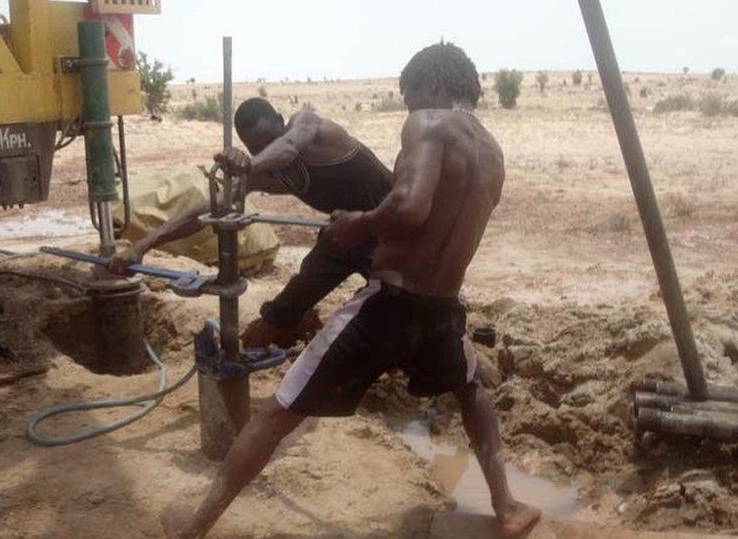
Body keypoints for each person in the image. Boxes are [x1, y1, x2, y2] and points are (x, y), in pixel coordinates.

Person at [160, 42, 541, 538]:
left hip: (390, 305)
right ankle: (507, 506)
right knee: (470, 390)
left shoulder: (428, 122)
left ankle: (194, 528)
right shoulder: (492, 152)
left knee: (277, 414)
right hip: (444, 308)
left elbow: (408, 206)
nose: (409, 108)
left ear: (433, 85)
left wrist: (358, 224)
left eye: (409, 96)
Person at [108, 98, 393, 348]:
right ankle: (260, 348)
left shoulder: (308, 125)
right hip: (343, 233)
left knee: (394, 306)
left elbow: (289, 147)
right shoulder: (265, 171)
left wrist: (249, 164)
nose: (264, 149)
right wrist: (143, 245)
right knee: (282, 310)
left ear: (282, 121)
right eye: (255, 147)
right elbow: (209, 207)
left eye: (268, 140)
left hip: (392, 227)